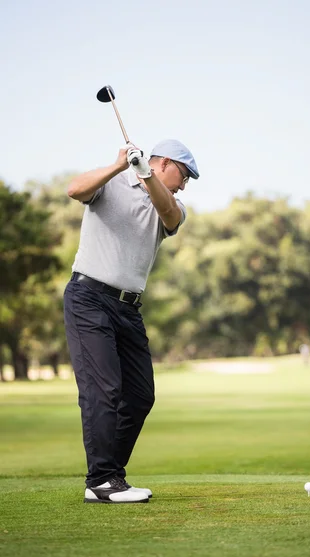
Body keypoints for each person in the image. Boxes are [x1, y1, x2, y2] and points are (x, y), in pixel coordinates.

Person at [64, 139, 199, 504]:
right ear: (167, 163)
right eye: (184, 175)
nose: (184, 185)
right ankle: (102, 480)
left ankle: (110, 477)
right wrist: (119, 166)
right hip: (88, 298)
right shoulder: (111, 184)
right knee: (103, 390)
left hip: (128, 308)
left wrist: (146, 175)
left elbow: (169, 214)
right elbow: (74, 189)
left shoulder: (170, 204)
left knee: (140, 395)